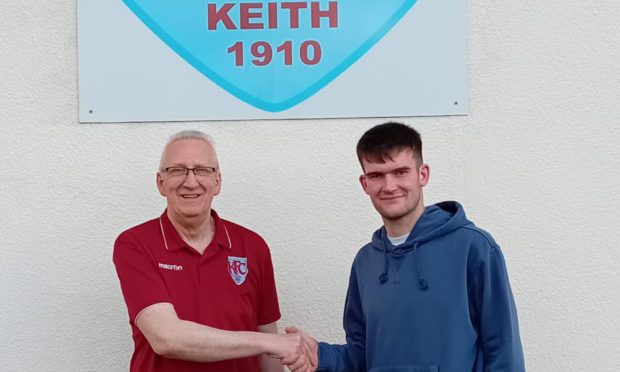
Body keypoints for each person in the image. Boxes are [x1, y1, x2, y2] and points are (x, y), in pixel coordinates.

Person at [287, 122, 525, 371]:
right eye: (377, 175)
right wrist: (321, 356)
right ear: (364, 183)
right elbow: (361, 354)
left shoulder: (473, 248)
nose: (389, 186)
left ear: (423, 175)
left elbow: (503, 350)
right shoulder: (365, 262)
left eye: (400, 172)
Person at [113, 130, 314, 372]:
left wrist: (276, 345)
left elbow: (267, 346)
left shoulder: (253, 246)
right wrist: (273, 343)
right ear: (160, 183)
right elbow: (166, 337)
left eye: (201, 170)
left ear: (217, 182)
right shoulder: (135, 244)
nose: (190, 181)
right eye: (177, 170)